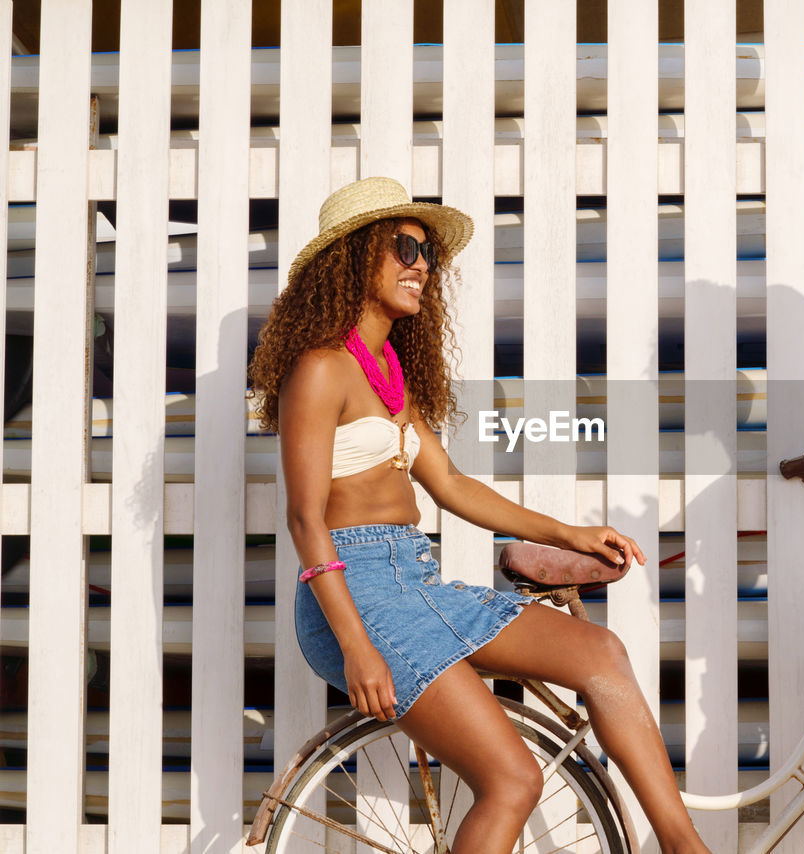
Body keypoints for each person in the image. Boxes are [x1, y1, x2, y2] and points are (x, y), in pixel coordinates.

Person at [249, 177, 709, 854]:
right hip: (357, 594)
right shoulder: (320, 369)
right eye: (405, 247)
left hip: (412, 582)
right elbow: (304, 520)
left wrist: (570, 531)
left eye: (428, 254)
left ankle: (683, 847)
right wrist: (356, 646)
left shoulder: (385, 373)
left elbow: (453, 485)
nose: (422, 266)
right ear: (352, 256)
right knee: (513, 780)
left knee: (602, 655)